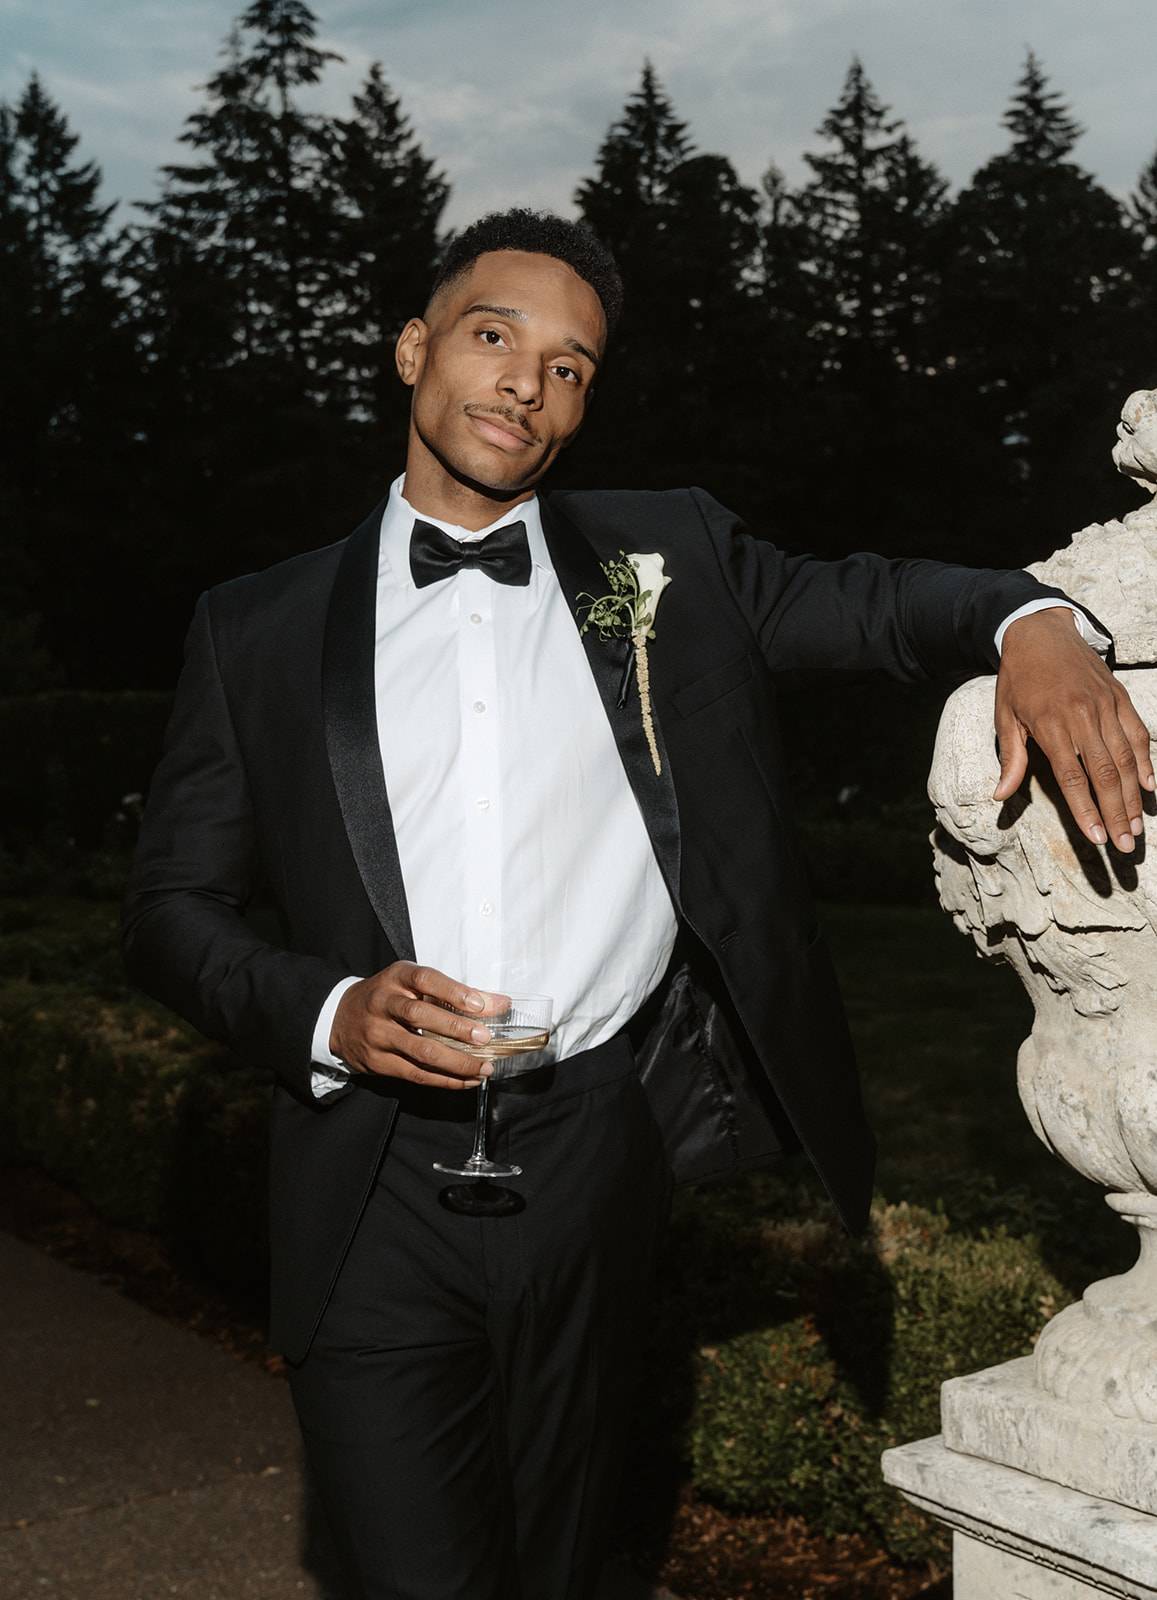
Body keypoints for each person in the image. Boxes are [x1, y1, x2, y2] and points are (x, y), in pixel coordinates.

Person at [122, 208, 1152, 1600]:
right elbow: (171, 905)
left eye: (570, 365)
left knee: (560, 1558)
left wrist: (1035, 626)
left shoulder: (661, 565)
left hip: (595, 1151)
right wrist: (326, 1009)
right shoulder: (255, 626)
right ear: (416, 348)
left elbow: (880, 599)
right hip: (367, 1179)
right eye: (494, 337)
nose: (525, 385)